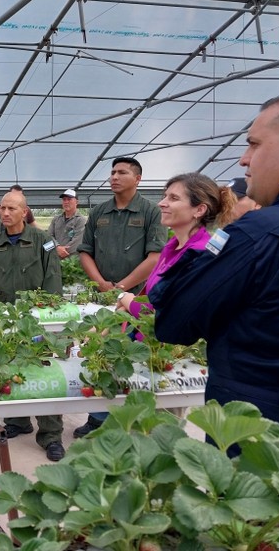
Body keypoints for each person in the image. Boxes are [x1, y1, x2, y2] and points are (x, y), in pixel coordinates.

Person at [150, 91, 279, 428]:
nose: (243, 159)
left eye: (254, 144)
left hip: (264, 434)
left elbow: (175, 322)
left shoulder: (260, 234)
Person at [74, 156, 167, 437]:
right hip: (103, 299)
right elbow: (85, 251)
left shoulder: (151, 212)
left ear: (137, 179)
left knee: (134, 358)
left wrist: (123, 287)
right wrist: (101, 283)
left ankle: (135, 418)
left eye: (122, 172)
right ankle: (98, 418)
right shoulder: (100, 212)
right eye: (112, 172)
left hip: (137, 299)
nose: (114, 177)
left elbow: (155, 256)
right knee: (99, 355)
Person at [0, 190, 65, 462]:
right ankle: (18, 420)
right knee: (10, 367)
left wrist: (47, 316)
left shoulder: (43, 241)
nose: (5, 213)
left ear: (24, 211)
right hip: (4, 320)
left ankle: (51, 435)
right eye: (2, 208)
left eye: (11, 209)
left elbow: (53, 279)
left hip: (36, 321)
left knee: (43, 374)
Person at [115, 173, 233, 318]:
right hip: (147, 336)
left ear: (199, 210)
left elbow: (171, 314)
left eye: (174, 198)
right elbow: (150, 300)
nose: (161, 203)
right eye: (165, 196)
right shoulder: (172, 246)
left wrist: (126, 299)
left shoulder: (201, 254)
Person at [48, 188, 87, 260]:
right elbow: (47, 238)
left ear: (76, 202)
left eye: (69, 199)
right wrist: (57, 248)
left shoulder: (81, 220)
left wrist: (59, 251)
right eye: (64, 199)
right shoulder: (56, 219)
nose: (66, 202)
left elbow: (77, 243)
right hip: (54, 260)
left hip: (72, 263)